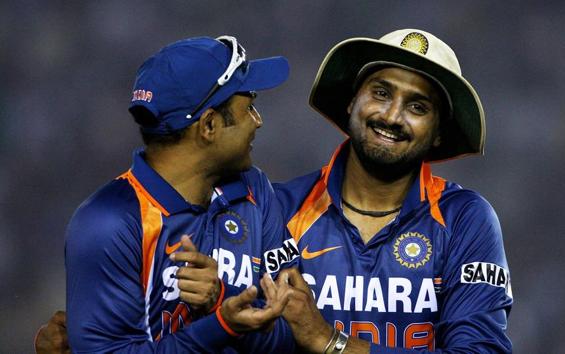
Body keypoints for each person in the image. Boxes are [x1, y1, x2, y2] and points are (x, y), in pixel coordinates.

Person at [37, 29, 512, 353]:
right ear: (352, 100)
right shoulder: (270, 206)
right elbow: (214, 327)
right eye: (381, 93)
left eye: (418, 105)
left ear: (438, 132)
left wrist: (332, 344)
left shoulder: (467, 220)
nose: (391, 116)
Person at [60, 35, 300, 353]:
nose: (258, 121)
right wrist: (220, 326)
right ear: (209, 125)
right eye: (249, 108)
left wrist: (219, 300)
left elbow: (297, 333)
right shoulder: (108, 223)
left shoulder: (254, 190)